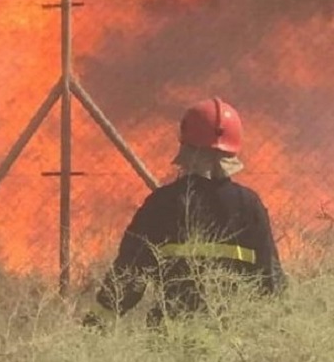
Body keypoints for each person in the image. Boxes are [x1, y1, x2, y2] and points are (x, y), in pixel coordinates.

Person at [84, 97, 287, 329]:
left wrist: (93, 327)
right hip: (232, 344)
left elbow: (128, 277)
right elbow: (270, 282)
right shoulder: (249, 205)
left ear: (186, 148)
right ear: (233, 151)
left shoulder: (162, 204)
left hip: (171, 340)